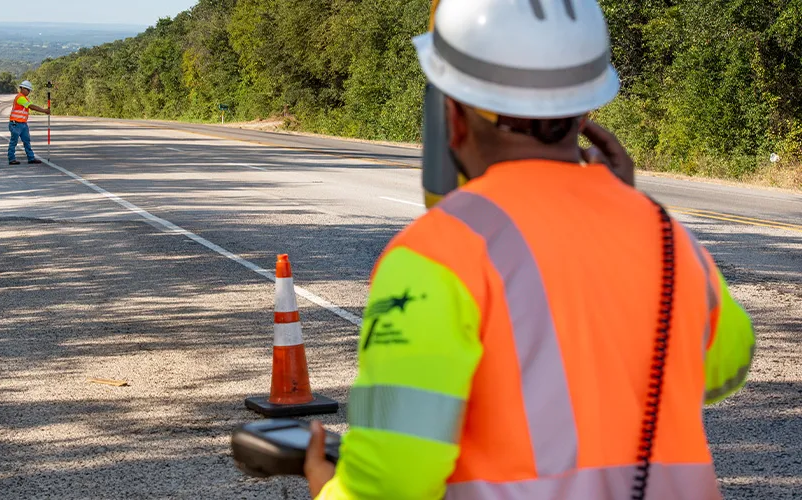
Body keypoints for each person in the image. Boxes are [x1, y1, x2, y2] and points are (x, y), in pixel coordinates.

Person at [303, 0, 755, 498]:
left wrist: (329, 488)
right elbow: (725, 367)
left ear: (450, 113)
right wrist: (626, 212)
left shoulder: (437, 252)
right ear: (585, 112)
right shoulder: (668, 234)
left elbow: (393, 480)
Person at [8, 80, 50, 165]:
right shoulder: (20, 98)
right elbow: (32, 106)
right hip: (15, 124)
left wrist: (44, 110)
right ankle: (11, 159)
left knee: (27, 141)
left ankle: (31, 158)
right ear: (22, 88)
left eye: (29, 90)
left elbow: (32, 106)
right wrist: (44, 110)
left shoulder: (25, 98)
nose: (29, 92)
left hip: (23, 124)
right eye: (28, 90)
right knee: (14, 142)